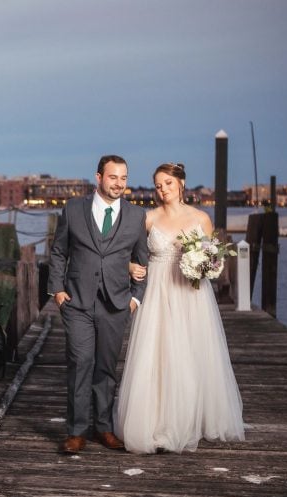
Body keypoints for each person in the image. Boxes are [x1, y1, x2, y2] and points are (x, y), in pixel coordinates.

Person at [115, 162, 245, 454]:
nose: (163, 190)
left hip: (191, 295)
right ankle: (159, 422)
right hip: (158, 293)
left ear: (182, 184)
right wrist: (130, 266)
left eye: (168, 184)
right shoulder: (147, 219)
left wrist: (203, 267)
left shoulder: (202, 219)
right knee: (158, 354)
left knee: (192, 352)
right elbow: (122, 252)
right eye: (158, 185)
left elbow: (213, 260)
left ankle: (191, 419)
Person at [48, 154, 149, 453]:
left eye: (123, 178)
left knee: (106, 368)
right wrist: (57, 291)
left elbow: (141, 262)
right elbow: (58, 252)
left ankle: (103, 428)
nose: (119, 183)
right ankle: (76, 431)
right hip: (77, 301)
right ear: (99, 177)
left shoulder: (136, 216)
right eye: (113, 177)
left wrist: (135, 298)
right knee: (80, 364)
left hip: (116, 304)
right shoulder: (73, 209)